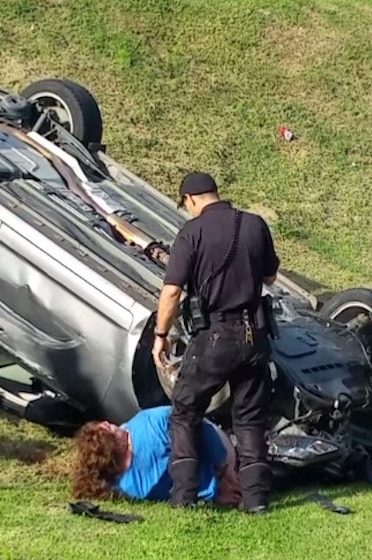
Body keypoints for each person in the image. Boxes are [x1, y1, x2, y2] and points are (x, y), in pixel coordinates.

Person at [152, 171, 280, 513]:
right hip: (255, 334)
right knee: (250, 417)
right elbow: (270, 275)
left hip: (215, 335)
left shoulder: (191, 232)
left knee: (185, 410)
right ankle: (256, 502)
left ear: (191, 199)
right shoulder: (254, 224)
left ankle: (184, 497)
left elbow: (172, 292)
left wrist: (160, 336)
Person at [70, 406, 242, 505]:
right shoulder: (127, 485)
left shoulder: (152, 421)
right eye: (109, 429)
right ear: (113, 447)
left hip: (221, 449)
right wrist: (216, 494)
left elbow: (198, 427)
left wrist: (226, 469)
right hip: (209, 480)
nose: (109, 423)